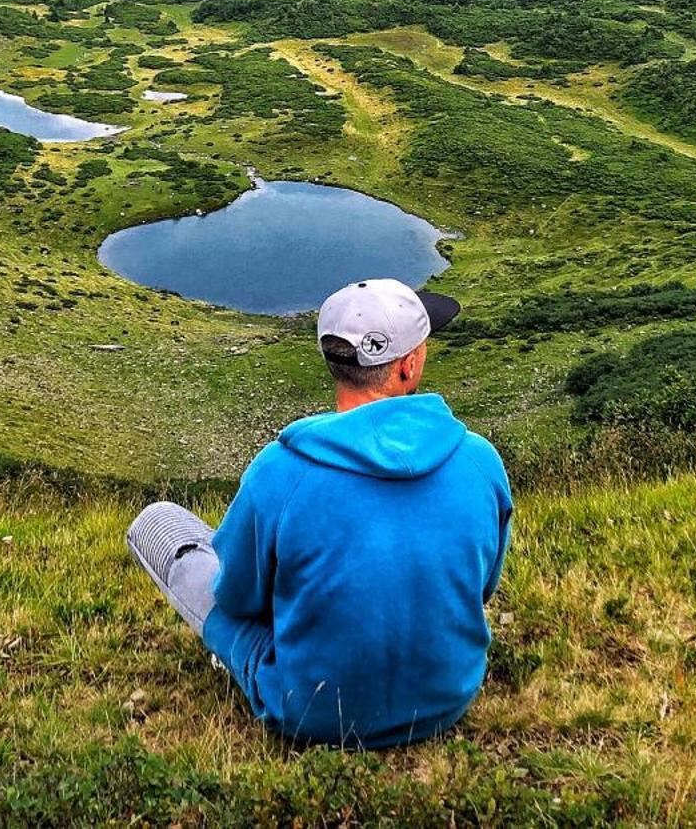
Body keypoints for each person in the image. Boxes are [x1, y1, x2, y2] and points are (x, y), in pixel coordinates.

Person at [127, 278, 513, 749]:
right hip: (449, 696)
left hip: (313, 711)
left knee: (161, 523)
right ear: (409, 366)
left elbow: (236, 598)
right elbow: (484, 586)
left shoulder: (280, 470)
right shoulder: (479, 458)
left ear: (332, 360)